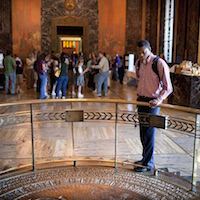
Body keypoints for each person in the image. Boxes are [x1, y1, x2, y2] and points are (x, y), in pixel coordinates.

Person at [135, 40, 173, 172]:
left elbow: (168, 87)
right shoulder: (138, 63)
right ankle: (144, 159)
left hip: (152, 103)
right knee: (142, 133)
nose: (141, 55)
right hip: (141, 101)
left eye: (143, 52)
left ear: (149, 49)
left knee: (149, 133)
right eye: (139, 52)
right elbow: (139, 80)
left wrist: (159, 99)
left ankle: (148, 163)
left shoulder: (159, 63)